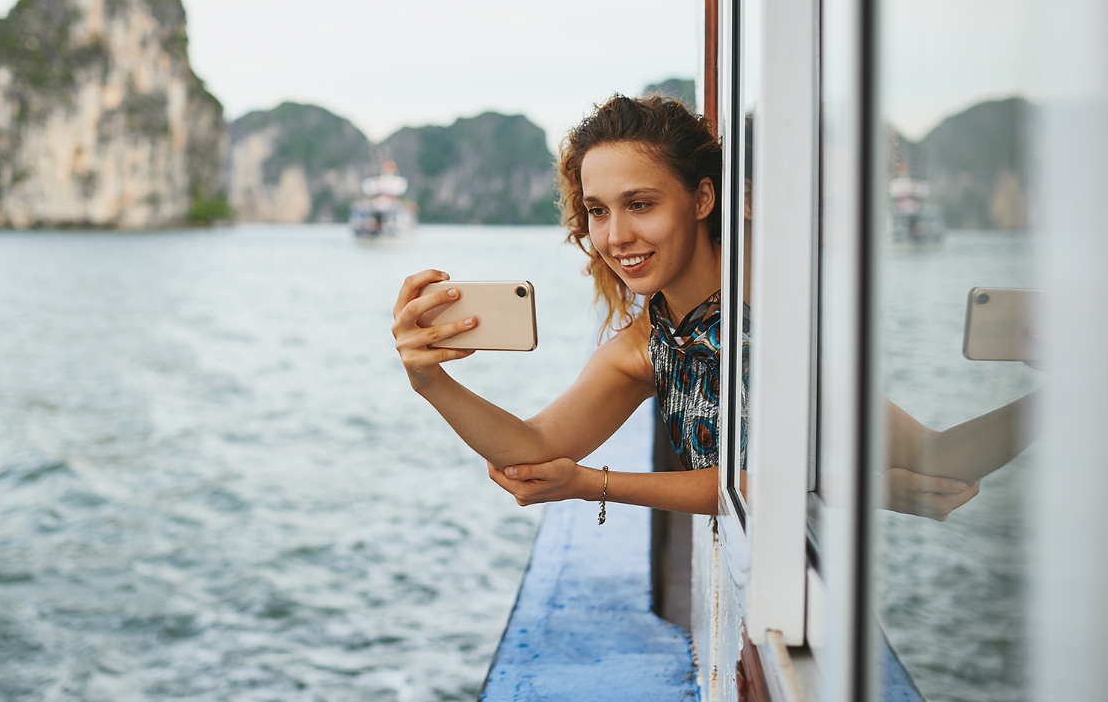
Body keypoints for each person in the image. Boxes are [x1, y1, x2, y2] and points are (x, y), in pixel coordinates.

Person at [392, 94, 997, 520]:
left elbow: (934, 465)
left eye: (641, 204)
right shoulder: (646, 344)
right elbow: (530, 451)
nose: (616, 236)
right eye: (599, 210)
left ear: (704, 197)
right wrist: (429, 379)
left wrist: (592, 484)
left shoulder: (766, 306)